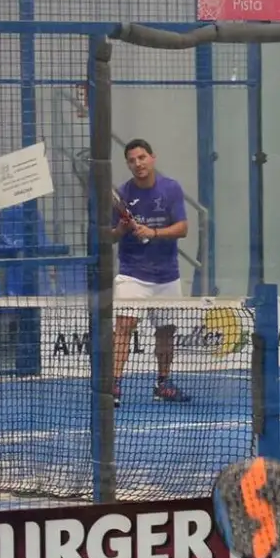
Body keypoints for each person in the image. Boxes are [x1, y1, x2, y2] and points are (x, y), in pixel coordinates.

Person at [110, 138, 192, 404]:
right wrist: (121, 230)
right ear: (128, 164)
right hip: (132, 272)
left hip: (167, 274)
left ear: (152, 158)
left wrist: (153, 232)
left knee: (166, 331)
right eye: (132, 160)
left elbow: (182, 228)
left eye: (142, 157)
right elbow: (111, 236)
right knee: (124, 325)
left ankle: (163, 384)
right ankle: (114, 386)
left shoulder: (171, 189)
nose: (138, 164)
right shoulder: (122, 194)